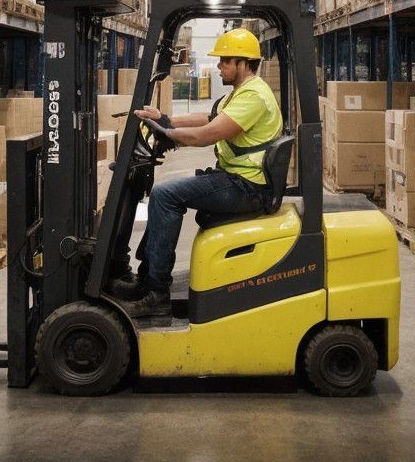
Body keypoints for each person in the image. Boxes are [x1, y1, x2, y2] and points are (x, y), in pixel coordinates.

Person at [107, 27, 283, 319]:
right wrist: (164, 119)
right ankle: (145, 279)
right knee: (165, 194)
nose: (218, 66)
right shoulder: (241, 92)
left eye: (225, 60)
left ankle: (156, 292)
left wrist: (169, 135)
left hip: (247, 187)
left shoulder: (254, 95)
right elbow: (208, 116)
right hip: (238, 179)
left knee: (165, 195)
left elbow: (209, 133)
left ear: (242, 63)